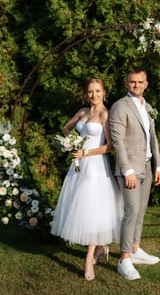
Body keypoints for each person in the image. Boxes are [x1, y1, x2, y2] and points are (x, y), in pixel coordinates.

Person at [51, 78, 122, 281]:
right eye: (90, 91)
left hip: (95, 166)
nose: (93, 95)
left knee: (92, 209)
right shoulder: (83, 112)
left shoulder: (105, 114)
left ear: (104, 92)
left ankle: (89, 257)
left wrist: (86, 152)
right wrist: (70, 143)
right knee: (81, 209)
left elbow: (111, 145)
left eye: (97, 91)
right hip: (78, 167)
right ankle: (100, 247)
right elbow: (66, 128)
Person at [109, 66, 160, 280]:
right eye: (133, 82)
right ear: (126, 83)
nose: (136, 85)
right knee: (131, 211)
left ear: (146, 83)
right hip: (130, 169)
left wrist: (157, 165)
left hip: (147, 166)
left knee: (140, 210)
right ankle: (124, 259)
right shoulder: (119, 107)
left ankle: (135, 249)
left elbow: (153, 137)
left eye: (140, 82)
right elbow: (118, 141)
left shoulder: (147, 106)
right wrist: (127, 170)